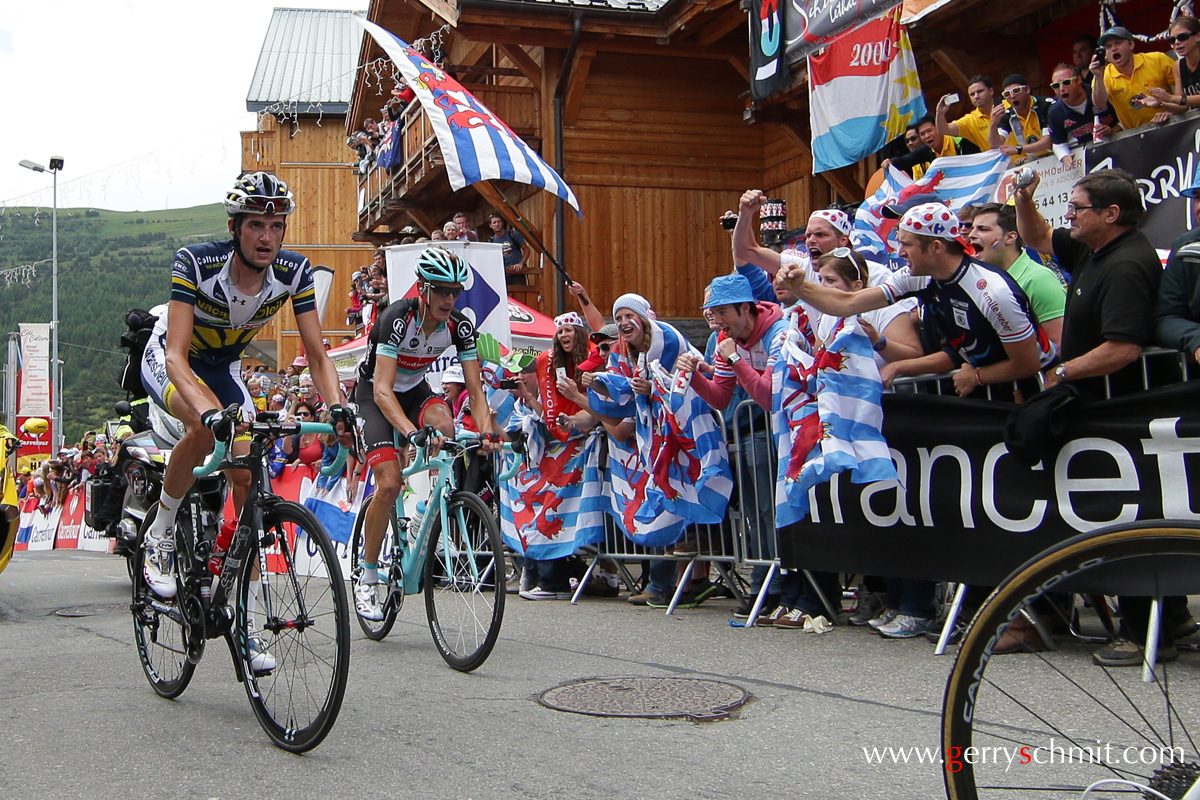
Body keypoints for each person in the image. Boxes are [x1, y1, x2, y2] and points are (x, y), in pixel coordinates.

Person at [138, 171, 353, 664]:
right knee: (200, 424)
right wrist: (212, 411)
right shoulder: (197, 262)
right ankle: (160, 534)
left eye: (276, 226)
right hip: (175, 358)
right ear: (235, 227)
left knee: (250, 485)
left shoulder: (294, 273)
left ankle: (246, 624)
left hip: (225, 367)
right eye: (256, 224)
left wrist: (337, 406)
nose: (267, 237)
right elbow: (175, 356)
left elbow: (317, 355)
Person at [1015, 167, 1180, 665]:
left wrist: (1062, 370)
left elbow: (1124, 349)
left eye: (1079, 206)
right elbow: (1038, 235)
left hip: (1120, 412)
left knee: (1125, 518)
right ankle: (1170, 617)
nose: (1070, 214)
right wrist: (1024, 198)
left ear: (1111, 214)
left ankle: (1142, 630)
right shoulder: (1094, 248)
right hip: (1102, 411)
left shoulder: (1128, 264)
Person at [351, 246, 503, 621]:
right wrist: (409, 431)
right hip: (375, 394)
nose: (450, 299)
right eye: (442, 291)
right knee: (387, 484)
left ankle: (424, 509)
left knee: (446, 425)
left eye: (455, 292)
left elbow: (476, 390)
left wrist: (485, 433)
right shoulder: (397, 318)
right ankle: (368, 575)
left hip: (416, 389)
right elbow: (384, 390)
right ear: (423, 288)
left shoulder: (459, 326)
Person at [781, 203, 1054, 397]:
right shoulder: (919, 276)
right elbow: (847, 304)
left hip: (1028, 387)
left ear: (935, 247)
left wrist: (978, 376)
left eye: (907, 245)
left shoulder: (992, 292)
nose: (900, 253)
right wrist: (801, 287)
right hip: (976, 383)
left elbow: (1028, 363)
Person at [967, 203, 1067, 349]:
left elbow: (1059, 345)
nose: (971, 235)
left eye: (983, 229)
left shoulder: (1038, 279)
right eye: (973, 228)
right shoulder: (980, 280)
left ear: (1010, 237)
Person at [1091, 26, 1175, 130]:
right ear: (1105, 54)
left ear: (1131, 44)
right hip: (1136, 137)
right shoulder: (1104, 74)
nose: (1113, 48)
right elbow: (1099, 104)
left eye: (1118, 43)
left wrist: (1169, 112)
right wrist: (1098, 76)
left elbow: (1184, 89)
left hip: (1171, 125)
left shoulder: (1157, 59)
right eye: (1108, 46)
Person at [1047, 64, 1116, 168]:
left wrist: (1112, 131)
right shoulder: (1055, 113)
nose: (1061, 89)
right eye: (1056, 85)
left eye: (1066, 82)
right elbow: (1058, 143)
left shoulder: (1100, 93)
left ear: (1079, 80)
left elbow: (1125, 119)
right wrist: (1064, 156)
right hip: (1090, 160)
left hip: (1119, 147)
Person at [1142, 16, 1200, 116]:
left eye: (1183, 37)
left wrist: (1170, 98)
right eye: (1172, 40)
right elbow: (1182, 105)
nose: (1177, 42)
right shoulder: (1178, 66)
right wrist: (1160, 103)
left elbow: (1177, 99)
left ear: (1198, 36)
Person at [989, 74, 1054, 163]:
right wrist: (993, 124)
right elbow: (995, 145)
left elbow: (1048, 142)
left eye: (1016, 90)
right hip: (1039, 162)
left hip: (1062, 154)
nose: (1012, 96)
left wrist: (1018, 149)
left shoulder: (1046, 105)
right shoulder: (1008, 115)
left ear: (1027, 89)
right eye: (1007, 94)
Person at [937, 76, 998, 153]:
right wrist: (940, 113)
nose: (976, 96)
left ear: (991, 91)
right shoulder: (970, 120)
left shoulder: (1008, 105)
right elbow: (943, 130)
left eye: (980, 91)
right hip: (996, 164)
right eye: (972, 94)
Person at [488, 213, 530, 286]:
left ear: (502, 223)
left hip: (517, 274)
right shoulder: (491, 241)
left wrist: (521, 263)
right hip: (502, 276)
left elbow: (526, 250)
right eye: (494, 222)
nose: (497, 224)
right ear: (490, 225)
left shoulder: (513, 234)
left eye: (499, 222)